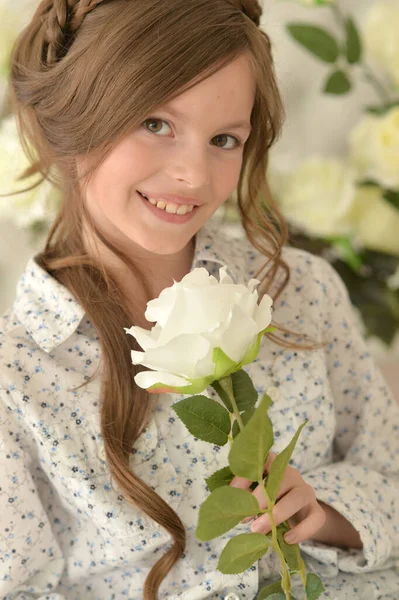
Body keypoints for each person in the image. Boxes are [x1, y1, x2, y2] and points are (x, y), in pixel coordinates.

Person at [0, 0, 398, 598]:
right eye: (156, 124)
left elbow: (388, 476)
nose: (194, 174)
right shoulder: (17, 373)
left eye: (224, 138)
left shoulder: (299, 290)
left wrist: (324, 512)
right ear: (74, 118)